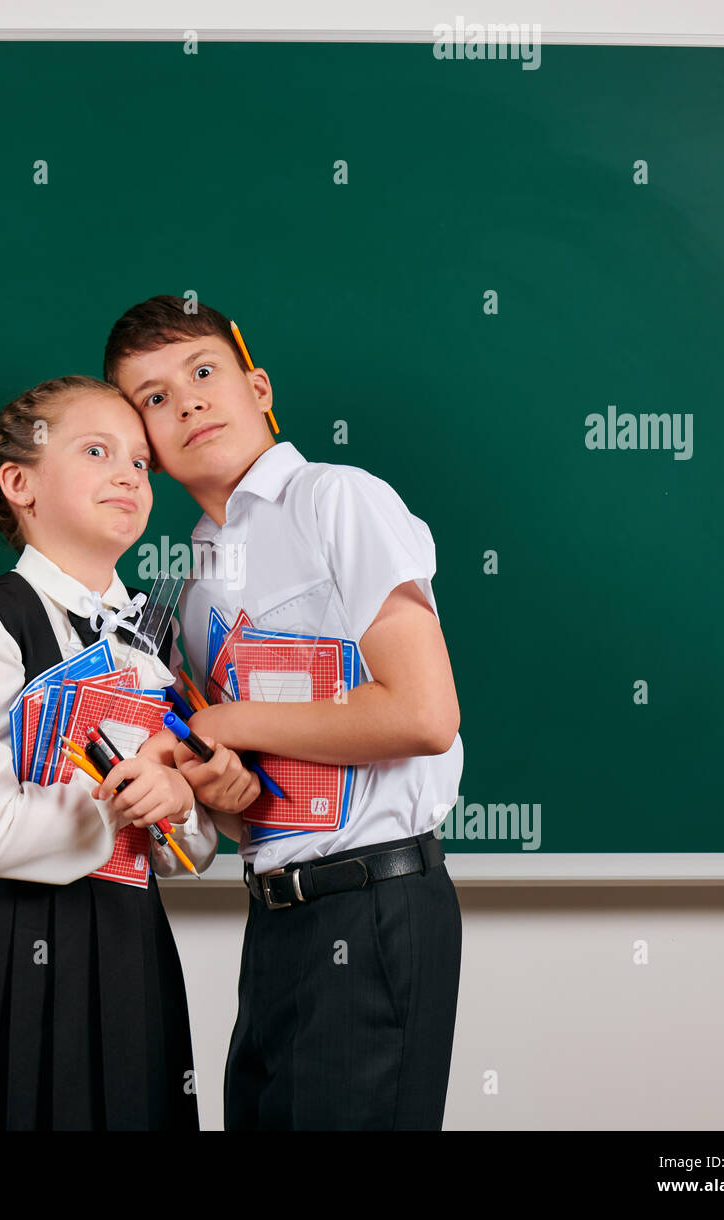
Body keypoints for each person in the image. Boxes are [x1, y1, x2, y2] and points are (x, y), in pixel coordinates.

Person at [103, 297, 465, 1130]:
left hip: (374, 901)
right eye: (153, 398)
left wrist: (222, 726)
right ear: (146, 453)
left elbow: (422, 714)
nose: (187, 400)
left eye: (203, 372)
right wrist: (223, 787)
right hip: (274, 917)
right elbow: (255, 803)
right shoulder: (190, 587)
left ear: (257, 387)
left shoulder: (337, 498)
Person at [0, 374, 219, 1130]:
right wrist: (117, 802)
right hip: (15, 960)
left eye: (140, 462)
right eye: (97, 451)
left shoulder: (149, 643)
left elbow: (188, 851)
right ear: (20, 483)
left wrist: (178, 805)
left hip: (132, 952)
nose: (127, 475)